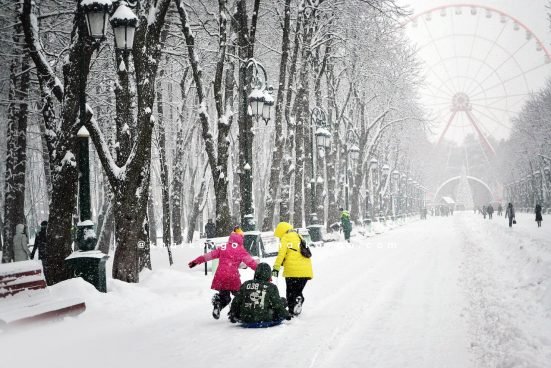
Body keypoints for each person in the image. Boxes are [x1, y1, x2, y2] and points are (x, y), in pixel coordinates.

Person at [188, 227, 258, 319]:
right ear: (241, 238)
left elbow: (208, 256)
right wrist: (262, 272)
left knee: (225, 297)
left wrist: (196, 261)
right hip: (233, 277)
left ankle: (218, 305)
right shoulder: (241, 250)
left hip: (221, 276)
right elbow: (251, 263)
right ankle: (234, 313)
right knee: (239, 296)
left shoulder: (223, 247)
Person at [272, 222, 313, 316]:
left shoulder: (285, 238)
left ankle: (291, 310)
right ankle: (299, 299)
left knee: (290, 292)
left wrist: (276, 268)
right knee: (297, 290)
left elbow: (281, 255)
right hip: (306, 271)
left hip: (292, 271)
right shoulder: (299, 236)